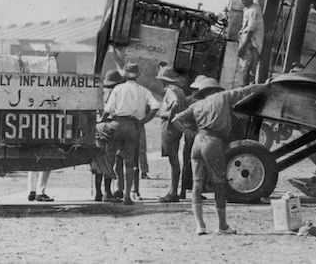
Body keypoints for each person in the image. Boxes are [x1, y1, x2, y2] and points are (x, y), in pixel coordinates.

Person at [172, 78, 265, 235]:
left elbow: (176, 120)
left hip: (197, 142)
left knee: (197, 183)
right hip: (213, 142)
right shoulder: (223, 96)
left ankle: (200, 225)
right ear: (215, 90)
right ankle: (222, 226)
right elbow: (247, 89)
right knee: (219, 183)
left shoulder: (197, 105)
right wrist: (266, 85)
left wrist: (191, 133)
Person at [98, 63, 160, 205]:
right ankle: (127, 195)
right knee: (129, 162)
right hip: (133, 126)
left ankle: (107, 193)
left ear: (124, 75)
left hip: (117, 123)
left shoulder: (119, 88)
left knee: (110, 159)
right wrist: (144, 120)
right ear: (137, 75)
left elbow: (108, 109)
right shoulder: (144, 91)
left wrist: (101, 122)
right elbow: (156, 106)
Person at [156, 65, 189, 203]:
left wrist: (168, 115)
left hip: (169, 128)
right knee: (175, 160)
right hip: (176, 128)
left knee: (173, 160)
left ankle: (173, 191)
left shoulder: (171, 90)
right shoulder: (180, 90)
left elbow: (175, 104)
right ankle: (176, 190)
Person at [92, 70, 123, 201]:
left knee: (99, 161)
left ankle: (98, 193)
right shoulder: (116, 94)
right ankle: (107, 192)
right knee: (109, 161)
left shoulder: (99, 93)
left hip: (97, 127)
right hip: (109, 127)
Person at [237, 0, 264, 86]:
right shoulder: (248, 7)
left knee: (246, 65)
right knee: (249, 65)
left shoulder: (254, 10)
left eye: (244, 0)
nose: (243, 2)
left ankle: (244, 86)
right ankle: (247, 84)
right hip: (247, 39)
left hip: (252, 41)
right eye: (242, 0)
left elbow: (251, 30)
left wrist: (243, 47)